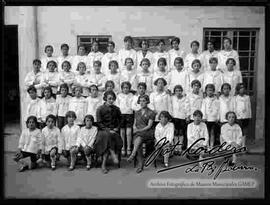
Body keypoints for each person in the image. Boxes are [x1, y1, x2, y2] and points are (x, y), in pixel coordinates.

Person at [94, 91, 123, 174]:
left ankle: (104, 164)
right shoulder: (100, 109)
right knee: (107, 136)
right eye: (109, 98)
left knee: (109, 137)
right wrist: (108, 130)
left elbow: (121, 120)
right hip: (103, 131)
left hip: (114, 130)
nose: (111, 100)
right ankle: (112, 153)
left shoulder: (116, 109)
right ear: (105, 99)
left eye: (113, 99)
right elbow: (99, 123)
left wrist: (117, 128)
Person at [127, 95, 156, 173]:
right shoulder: (137, 112)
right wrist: (135, 129)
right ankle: (140, 164)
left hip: (148, 132)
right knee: (138, 140)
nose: (142, 102)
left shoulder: (151, 112)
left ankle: (134, 155)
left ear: (147, 101)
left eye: (144, 101)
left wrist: (138, 130)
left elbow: (149, 126)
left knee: (138, 137)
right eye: (140, 101)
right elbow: (134, 124)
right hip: (138, 132)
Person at [116, 82, 134, 156]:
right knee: (122, 132)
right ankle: (123, 147)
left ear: (129, 88)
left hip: (129, 114)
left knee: (128, 133)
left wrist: (130, 109)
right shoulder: (119, 96)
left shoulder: (132, 95)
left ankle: (129, 147)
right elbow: (117, 105)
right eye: (124, 88)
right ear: (122, 88)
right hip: (121, 114)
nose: (126, 89)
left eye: (127, 88)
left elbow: (133, 104)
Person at [171, 85, 189, 154]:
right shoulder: (172, 98)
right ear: (174, 92)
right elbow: (171, 107)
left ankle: (180, 147)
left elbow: (187, 108)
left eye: (179, 91)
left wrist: (187, 116)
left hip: (182, 117)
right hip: (174, 117)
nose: (178, 92)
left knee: (181, 132)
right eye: (176, 91)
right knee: (175, 132)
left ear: (182, 91)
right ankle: (176, 147)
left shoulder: (185, 98)